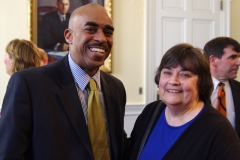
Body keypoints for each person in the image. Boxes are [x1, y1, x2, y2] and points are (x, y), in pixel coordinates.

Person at [0, 3, 127, 160]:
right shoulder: (29, 84)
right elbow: (10, 153)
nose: (102, 38)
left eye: (108, 32)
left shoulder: (116, 88)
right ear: (68, 36)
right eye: (91, 29)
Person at [127, 43, 240, 160]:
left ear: (201, 83)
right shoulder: (151, 111)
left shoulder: (220, 131)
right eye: (167, 72)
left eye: (185, 75)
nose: (173, 81)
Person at [203, 37, 240, 137]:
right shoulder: (196, 89)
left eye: (238, 57)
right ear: (213, 60)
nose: (238, 63)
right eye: (232, 57)